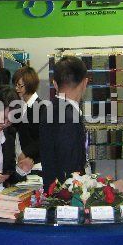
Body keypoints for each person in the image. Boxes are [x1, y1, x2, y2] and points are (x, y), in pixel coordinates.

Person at [39, 56, 89, 187]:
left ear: (55, 84)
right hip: (67, 195)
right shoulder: (70, 117)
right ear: (85, 83)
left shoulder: (48, 110)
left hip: (52, 190)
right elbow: (71, 171)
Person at [12, 66, 41, 169]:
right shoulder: (19, 106)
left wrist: (25, 153)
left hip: (35, 163)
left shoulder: (42, 108)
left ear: (30, 84)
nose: (17, 88)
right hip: (20, 162)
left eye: (20, 86)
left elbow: (43, 138)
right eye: (15, 85)